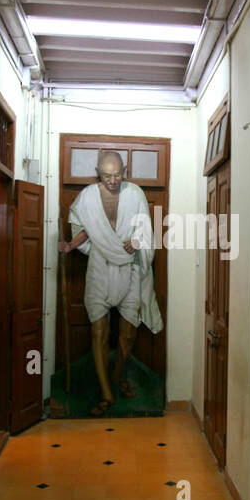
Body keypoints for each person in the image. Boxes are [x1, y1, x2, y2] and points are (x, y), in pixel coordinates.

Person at [58, 151, 164, 415]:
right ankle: (106, 393)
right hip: (99, 268)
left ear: (124, 171)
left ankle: (117, 378)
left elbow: (145, 228)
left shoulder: (135, 194)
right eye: (107, 176)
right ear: (98, 173)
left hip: (128, 268)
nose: (113, 181)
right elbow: (86, 229)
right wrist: (71, 245)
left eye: (117, 175)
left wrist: (138, 241)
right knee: (99, 331)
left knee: (128, 333)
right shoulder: (88, 197)